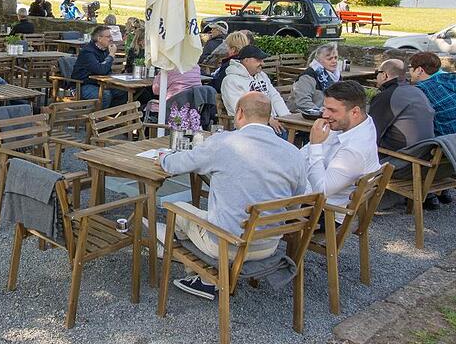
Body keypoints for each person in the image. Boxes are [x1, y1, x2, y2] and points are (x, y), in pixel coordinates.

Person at [159, 92, 308, 299]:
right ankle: (205, 277)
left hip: (227, 246)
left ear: (239, 113)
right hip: (269, 245)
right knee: (217, 212)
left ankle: (206, 276)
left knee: (176, 208)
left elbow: (174, 165)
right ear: (269, 115)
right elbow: (295, 202)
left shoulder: (224, 143)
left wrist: (164, 156)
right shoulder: (294, 153)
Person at [302, 80, 380, 225]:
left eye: (332, 110)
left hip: (325, 213)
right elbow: (302, 155)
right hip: (314, 198)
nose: (324, 115)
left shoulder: (354, 150)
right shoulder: (358, 123)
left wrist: (315, 145)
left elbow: (320, 191)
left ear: (355, 112)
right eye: (324, 108)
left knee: (258, 197)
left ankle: (258, 244)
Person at [221, 45, 290, 135]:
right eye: (258, 60)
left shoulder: (262, 75)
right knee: (283, 135)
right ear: (246, 60)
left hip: (270, 123)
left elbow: (274, 96)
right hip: (247, 126)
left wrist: (286, 117)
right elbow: (240, 108)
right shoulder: (230, 81)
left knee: (296, 130)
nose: (263, 63)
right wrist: (269, 120)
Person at [369, 58, 434, 151]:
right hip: (424, 151)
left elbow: (372, 132)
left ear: (384, 75)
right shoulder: (417, 91)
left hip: (403, 157)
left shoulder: (387, 96)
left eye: (377, 73)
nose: (376, 77)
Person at [71, 25, 127, 108]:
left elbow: (107, 70)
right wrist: (111, 55)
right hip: (82, 85)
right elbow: (101, 70)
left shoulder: (104, 50)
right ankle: (98, 118)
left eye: (111, 36)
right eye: (108, 36)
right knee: (105, 95)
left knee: (123, 91)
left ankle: (111, 117)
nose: (111, 39)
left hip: (99, 83)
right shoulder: (87, 52)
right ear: (99, 38)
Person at [409, 52, 456, 137]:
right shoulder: (451, 78)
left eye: (411, 68)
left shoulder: (422, 88)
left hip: (448, 142)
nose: (409, 71)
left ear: (420, 70)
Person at [287, 43, 341, 113]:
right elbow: (303, 102)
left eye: (335, 58)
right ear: (319, 60)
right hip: (302, 116)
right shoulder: (308, 76)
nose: (334, 61)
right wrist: (325, 112)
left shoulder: (336, 75)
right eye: (329, 59)